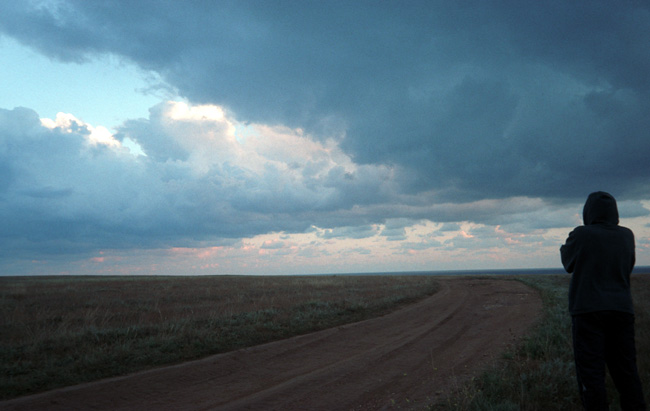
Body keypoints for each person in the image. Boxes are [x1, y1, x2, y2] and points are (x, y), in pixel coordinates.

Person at [561, 191, 646, 410]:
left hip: (587, 311)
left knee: (591, 374)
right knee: (627, 372)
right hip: (622, 310)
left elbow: (568, 262)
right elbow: (628, 266)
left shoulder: (581, 234)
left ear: (588, 212)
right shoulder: (627, 235)